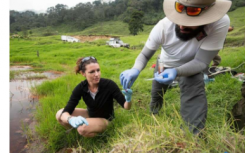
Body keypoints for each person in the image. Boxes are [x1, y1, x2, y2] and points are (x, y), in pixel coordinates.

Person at [120, 0, 232, 135]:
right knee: (157, 93)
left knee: (194, 95)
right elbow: (144, 55)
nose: (182, 25)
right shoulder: (162, 26)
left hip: (192, 64)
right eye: (179, 19)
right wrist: (135, 69)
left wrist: (177, 71)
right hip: (163, 63)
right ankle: (154, 115)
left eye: (190, 22)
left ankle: (192, 137)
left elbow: (202, 61)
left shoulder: (220, 22)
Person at [56, 56, 133, 137]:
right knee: (59, 114)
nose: (96, 74)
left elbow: (126, 107)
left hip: (105, 120)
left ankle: (104, 135)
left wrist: (128, 99)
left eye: (98, 70)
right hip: (91, 114)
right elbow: (67, 110)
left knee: (82, 128)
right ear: (83, 73)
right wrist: (71, 119)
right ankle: (76, 134)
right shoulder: (81, 88)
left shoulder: (109, 84)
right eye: (92, 72)